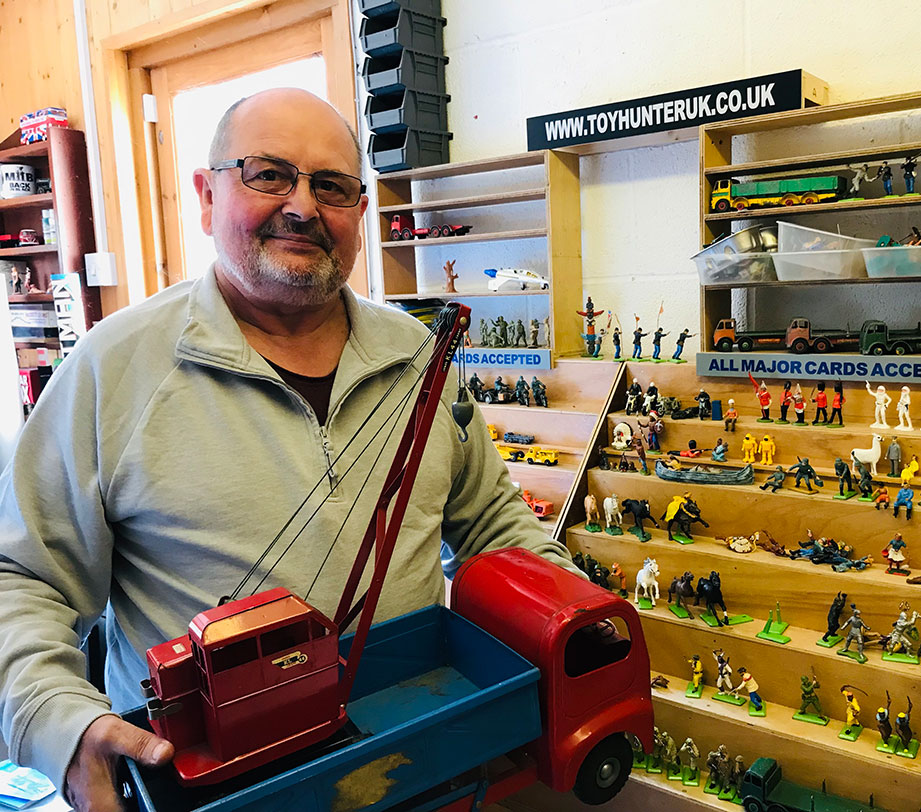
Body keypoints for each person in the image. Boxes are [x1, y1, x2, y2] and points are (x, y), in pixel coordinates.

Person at [0, 89, 576, 810]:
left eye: (330, 186)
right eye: (268, 174)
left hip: (423, 763)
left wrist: (575, 619)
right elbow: (20, 579)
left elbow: (495, 528)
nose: (302, 206)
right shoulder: (110, 370)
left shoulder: (421, 355)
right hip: (219, 789)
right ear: (206, 197)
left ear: (360, 216)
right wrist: (61, 723)